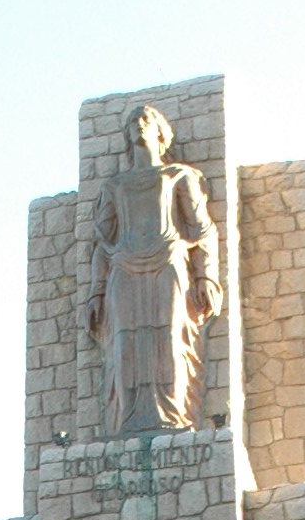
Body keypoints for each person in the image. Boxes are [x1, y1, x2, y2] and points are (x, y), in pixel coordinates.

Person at [86, 103, 223, 435]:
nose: (139, 123)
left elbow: (202, 230)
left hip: (168, 263)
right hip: (123, 269)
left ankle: (172, 418)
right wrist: (97, 292)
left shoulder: (179, 176)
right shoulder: (114, 187)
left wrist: (205, 274)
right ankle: (127, 424)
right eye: (133, 120)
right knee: (124, 345)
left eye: (146, 119)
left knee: (168, 336)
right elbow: (102, 244)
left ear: (161, 132)